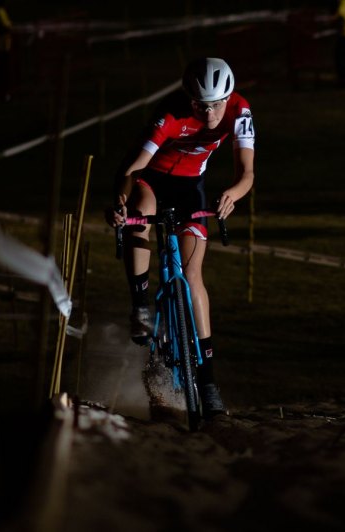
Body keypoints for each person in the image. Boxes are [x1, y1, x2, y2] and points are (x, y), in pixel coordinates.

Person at [107, 57, 255, 418]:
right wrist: (120, 203)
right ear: (189, 100)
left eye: (218, 104)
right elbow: (133, 168)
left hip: (191, 186)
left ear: (229, 97)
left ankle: (208, 383)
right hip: (149, 178)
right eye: (202, 107)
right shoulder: (170, 115)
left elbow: (247, 172)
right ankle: (141, 305)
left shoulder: (240, 110)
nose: (210, 114)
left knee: (192, 278)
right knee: (140, 210)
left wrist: (233, 194)